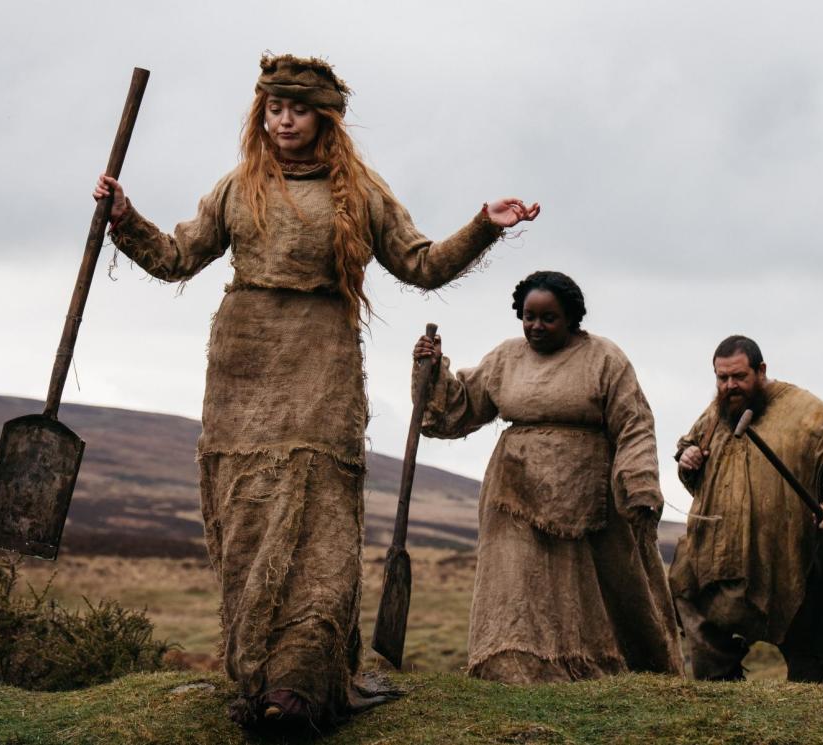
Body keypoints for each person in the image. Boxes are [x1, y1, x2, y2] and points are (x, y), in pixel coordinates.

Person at [92, 54, 539, 728]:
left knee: (322, 532)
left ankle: (299, 682)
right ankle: (260, 673)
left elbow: (420, 264)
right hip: (241, 374)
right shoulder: (238, 188)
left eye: (297, 108)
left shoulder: (359, 191)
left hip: (322, 373)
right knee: (248, 527)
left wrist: (483, 225)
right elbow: (177, 255)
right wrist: (125, 218)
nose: (283, 120)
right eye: (273, 108)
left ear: (324, 116)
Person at [411, 270, 683, 683]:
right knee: (517, 584)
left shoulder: (605, 358)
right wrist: (432, 373)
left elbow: (634, 423)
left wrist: (640, 483)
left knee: (600, 587)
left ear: (571, 319)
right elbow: (461, 405)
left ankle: (606, 667)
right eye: (528, 316)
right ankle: (516, 667)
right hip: (514, 491)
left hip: (592, 494)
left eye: (548, 318)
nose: (536, 326)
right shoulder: (506, 358)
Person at [670, 335, 823, 684]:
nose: (730, 386)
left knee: (807, 660)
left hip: (791, 555)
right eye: (722, 378)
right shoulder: (717, 413)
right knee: (702, 620)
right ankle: (722, 700)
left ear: (761, 370)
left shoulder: (807, 412)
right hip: (724, 556)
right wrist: (688, 460)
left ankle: (807, 718)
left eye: (739, 376)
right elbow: (695, 463)